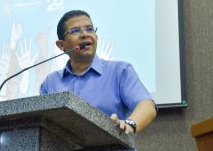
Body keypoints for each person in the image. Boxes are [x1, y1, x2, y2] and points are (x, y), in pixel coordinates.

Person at [40, 10, 157, 138]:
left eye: (89, 29)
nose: (85, 34)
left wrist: (129, 124)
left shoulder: (119, 71)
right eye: (75, 31)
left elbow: (147, 106)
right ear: (61, 45)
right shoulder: (50, 83)